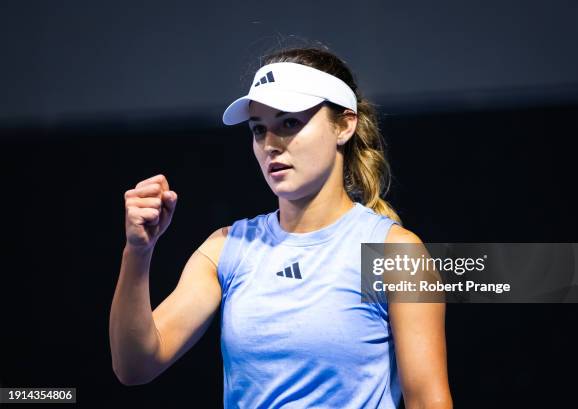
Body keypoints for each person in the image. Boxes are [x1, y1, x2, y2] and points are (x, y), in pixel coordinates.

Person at [109, 46, 452, 408]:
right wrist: (138, 252)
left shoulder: (395, 252)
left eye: (289, 122)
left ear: (344, 125)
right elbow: (135, 366)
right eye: (259, 130)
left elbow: (429, 401)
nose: (270, 144)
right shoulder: (225, 248)